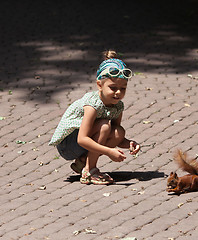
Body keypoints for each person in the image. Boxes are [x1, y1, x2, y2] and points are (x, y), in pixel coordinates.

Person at [49, 50, 140, 185]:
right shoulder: (92, 104)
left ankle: (84, 162)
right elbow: (82, 139)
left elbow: (115, 137)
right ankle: (89, 171)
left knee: (118, 131)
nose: (118, 93)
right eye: (113, 88)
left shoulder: (117, 106)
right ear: (99, 85)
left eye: (123, 88)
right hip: (68, 144)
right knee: (104, 125)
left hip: (84, 141)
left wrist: (130, 144)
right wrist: (109, 152)